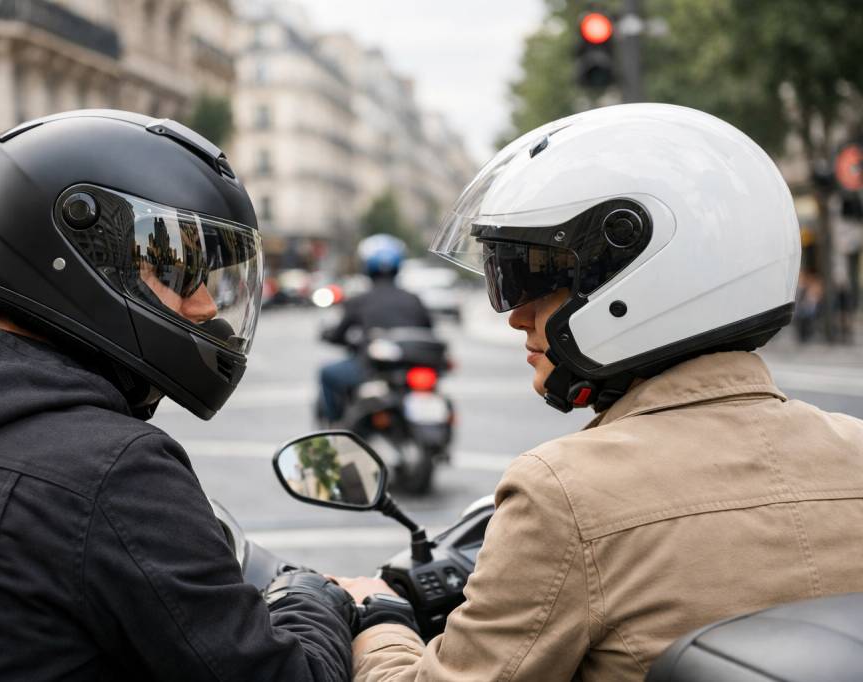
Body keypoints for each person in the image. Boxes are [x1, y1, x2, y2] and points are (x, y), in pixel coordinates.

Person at [336, 103, 863, 681]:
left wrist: (380, 621)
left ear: (644, 280)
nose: (517, 316)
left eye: (534, 280)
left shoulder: (563, 495)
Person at [0, 110, 360, 680]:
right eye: (181, 270)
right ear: (80, 251)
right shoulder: (114, 472)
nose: (207, 306)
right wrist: (316, 597)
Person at [318, 234, 432, 423]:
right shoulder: (413, 299)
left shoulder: (359, 300)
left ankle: (334, 430)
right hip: (410, 368)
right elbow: (428, 330)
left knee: (327, 373)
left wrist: (330, 335)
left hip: (372, 369)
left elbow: (338, 333)